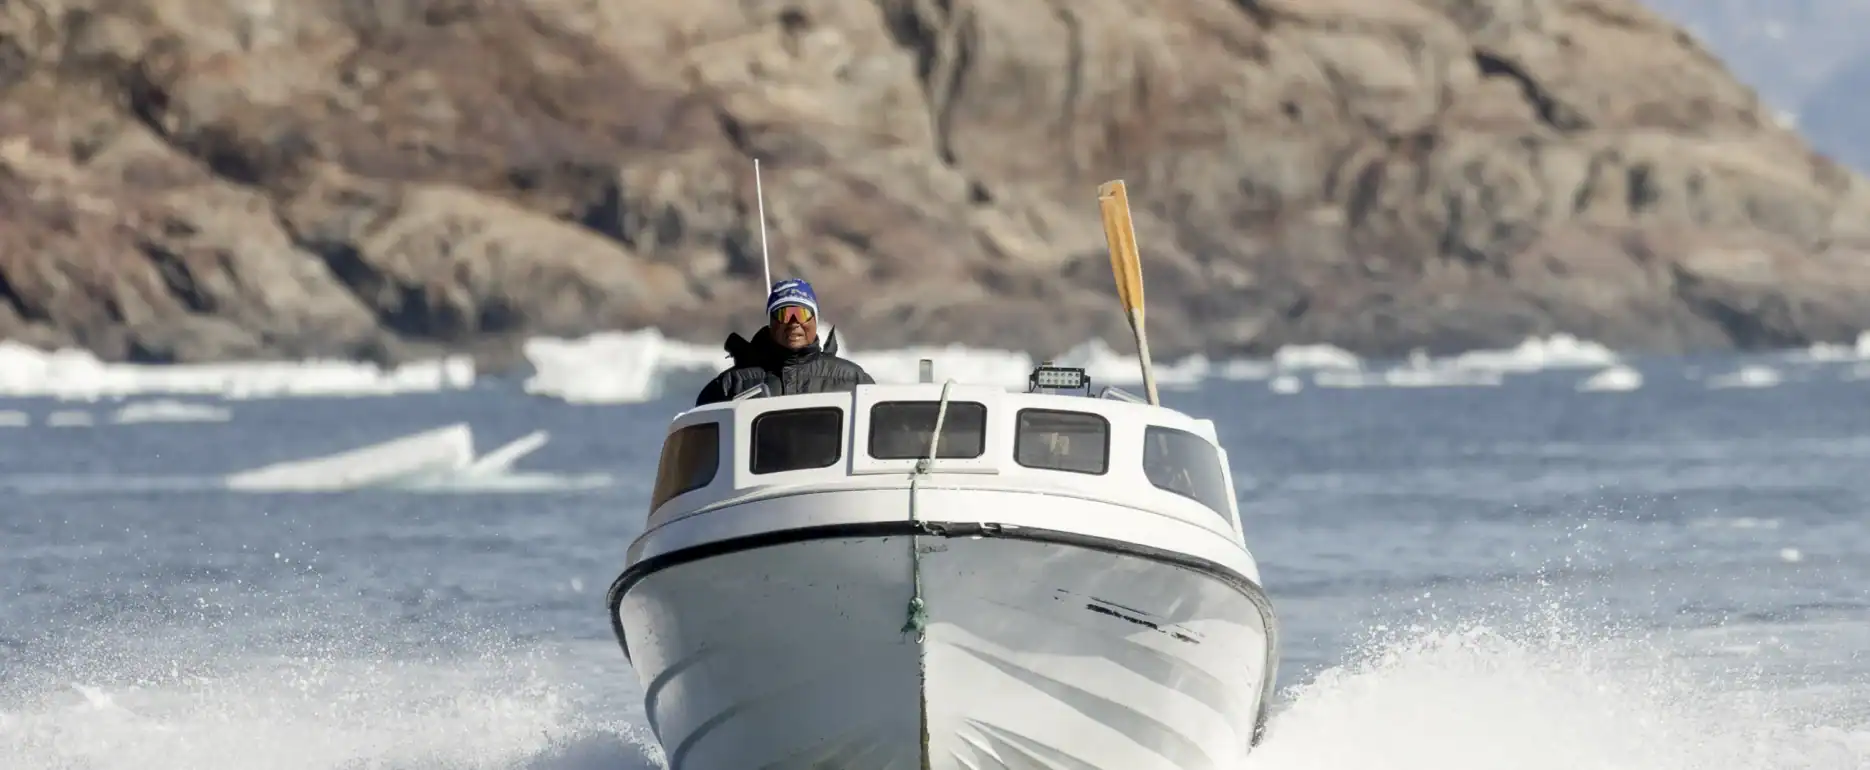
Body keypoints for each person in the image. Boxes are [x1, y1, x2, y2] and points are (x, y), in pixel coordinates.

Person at [694, 278, 876, 406]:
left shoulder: (853, 380)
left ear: (815, 320)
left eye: (802, 314)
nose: (793, 323)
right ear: (771, 323)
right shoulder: (730, 385)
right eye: (783, 314)